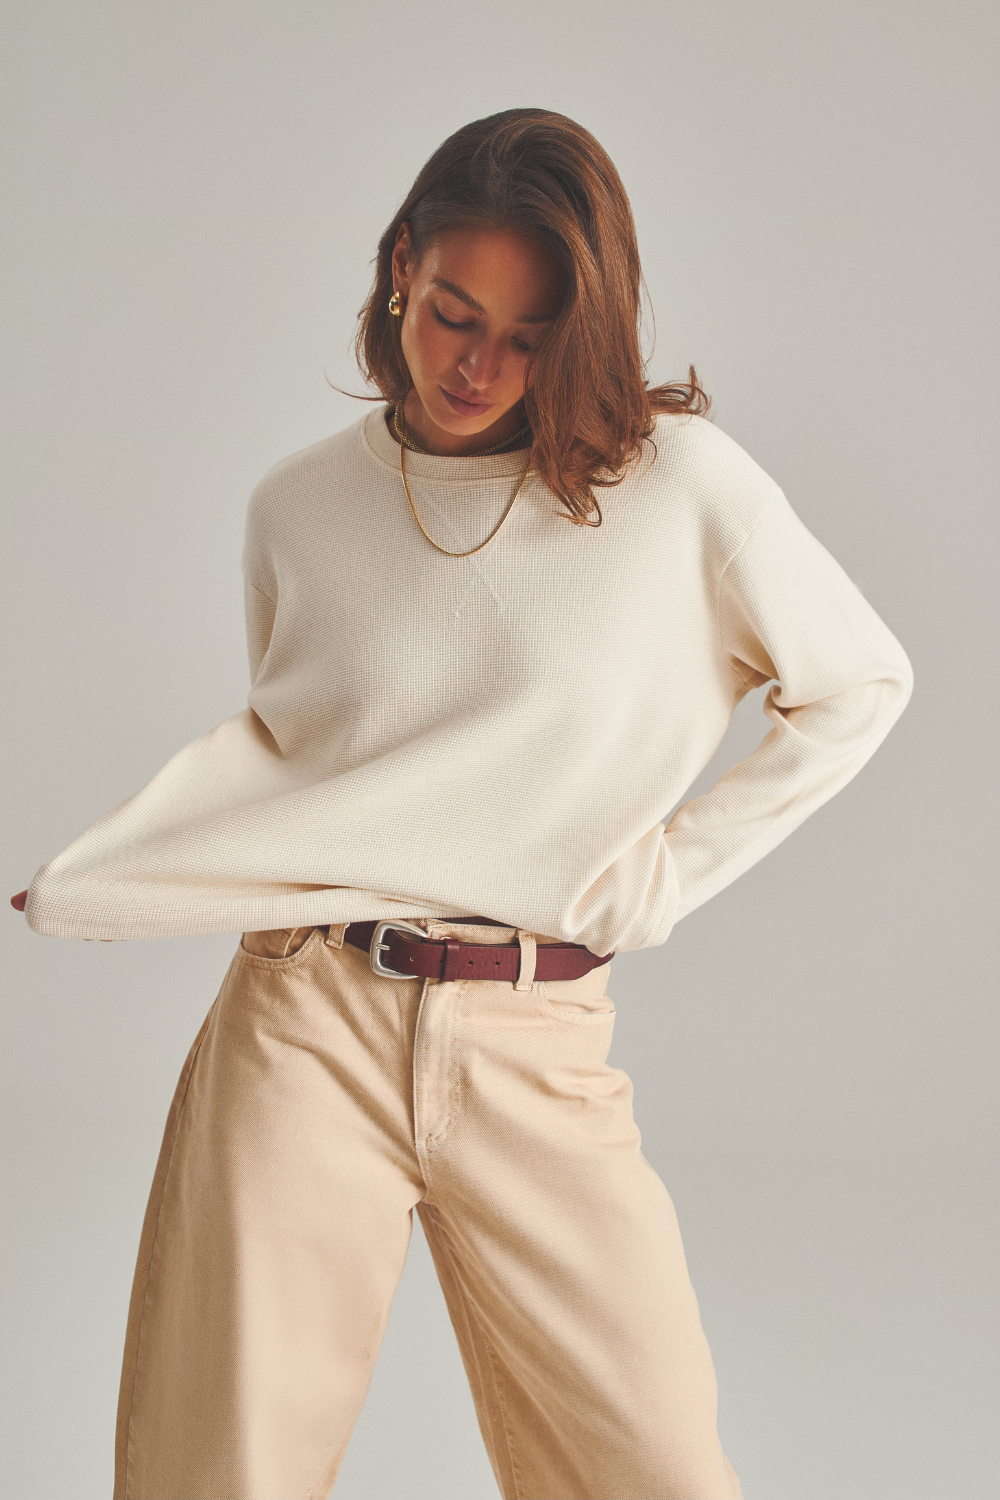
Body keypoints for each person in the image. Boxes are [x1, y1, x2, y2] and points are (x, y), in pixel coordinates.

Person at [12, 108, 912, 1500]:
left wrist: (667, 873)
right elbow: (313, 766)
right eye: (452, 314)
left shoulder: (680, 492)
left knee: (656, 1465)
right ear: (400, 271)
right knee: (218, 1471)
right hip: (307, 1019)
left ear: (584, 330)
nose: (477, 366)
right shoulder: (299, 509)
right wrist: (125, 872)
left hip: (536, 1036)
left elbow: (858, 683)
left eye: (529, 337)